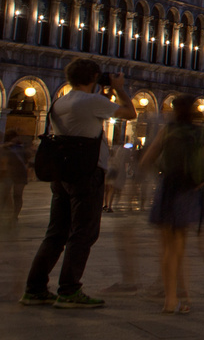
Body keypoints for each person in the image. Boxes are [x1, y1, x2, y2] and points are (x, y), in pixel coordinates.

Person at [24, 59, 137, 308]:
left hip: (62, 174)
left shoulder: (60, 101)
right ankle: (69, 290)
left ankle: (35, 288)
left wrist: (103, 92)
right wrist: (118, 88)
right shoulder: (93, 102)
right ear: (94, 77)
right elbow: (130, 112)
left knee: (56, 233)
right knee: (83, 232)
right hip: (87, 173)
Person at [143, 96, 204, 314]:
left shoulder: (168, 131)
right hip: (191, 190)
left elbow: (146, 161)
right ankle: (181, 297)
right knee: (179, 249)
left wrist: (160, 175)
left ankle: (170, 300)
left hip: (169, 189)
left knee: (166, 249)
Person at [2, 129, 30, 229]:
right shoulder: (5, 147)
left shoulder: (21, 148)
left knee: (17, 195)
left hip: (20, 173)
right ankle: (6, 215)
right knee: (5, 195)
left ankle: (14, 216)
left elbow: (28, 158)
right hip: (8, 174)